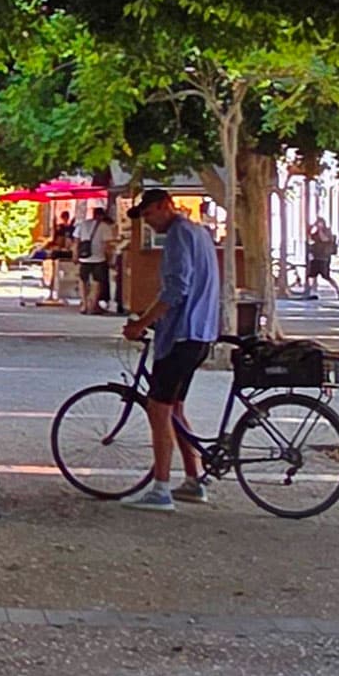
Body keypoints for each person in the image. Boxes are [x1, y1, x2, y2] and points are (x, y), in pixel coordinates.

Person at [120, 188, 224, 509]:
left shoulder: (179, 234)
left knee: (159, 409)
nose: (148, 221)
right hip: (201, 332)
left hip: (182, 335)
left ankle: (161, 489)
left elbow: (177, 288)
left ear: (166, 206)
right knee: (175, 409)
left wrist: (142, 323)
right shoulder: (200, 233)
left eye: (150, 213)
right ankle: (193, 480)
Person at [75, 204, 119, 315]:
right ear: (102, 215)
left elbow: (76, 241)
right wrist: (110, 258)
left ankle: (84, 305)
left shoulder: (83, 224)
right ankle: (92, 305)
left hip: (84, 258)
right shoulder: (105, 226)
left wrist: (75, 254)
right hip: (99, 258)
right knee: (97, 282)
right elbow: (107, 245)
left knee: (83, 281)